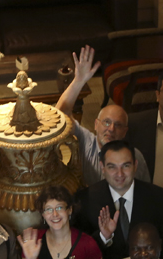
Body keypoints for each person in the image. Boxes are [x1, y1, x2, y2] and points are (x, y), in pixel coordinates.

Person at [75, 140, 163, 259]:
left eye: (125, 166)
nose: (119, 174)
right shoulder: (85, 199)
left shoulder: (160, 198)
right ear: (102, 167)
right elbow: (80, 249)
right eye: (112, 167)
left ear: (135, 165)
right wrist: (104, 237)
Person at [57, 45, 150, 187]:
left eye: (118, 125)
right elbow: (60, 116)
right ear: (96, 124)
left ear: (125, 131)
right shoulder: (86, 142)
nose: (111, 129)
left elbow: (145, 194)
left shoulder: (135, 157)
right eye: (106, 122)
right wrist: (78, 81)